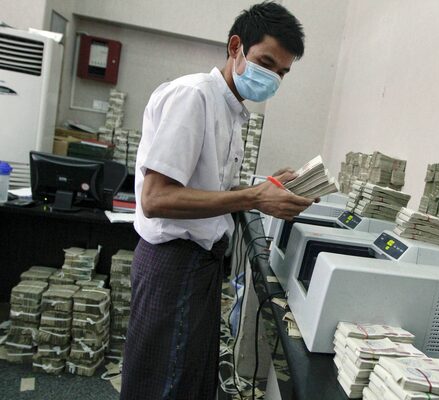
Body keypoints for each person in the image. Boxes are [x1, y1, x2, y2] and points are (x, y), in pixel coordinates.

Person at [120, 2, 313, 399]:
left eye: (282, 72)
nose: (273, 78)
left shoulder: (229, 110)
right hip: (173, 262)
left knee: (189, 380)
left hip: (199, 264)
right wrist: (254, 197)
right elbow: (155, 198)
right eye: (266, 63)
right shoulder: (194, 97)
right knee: (165, 384)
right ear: (235, 47)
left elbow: (207, 187)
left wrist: (265, 187)